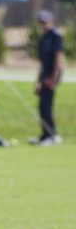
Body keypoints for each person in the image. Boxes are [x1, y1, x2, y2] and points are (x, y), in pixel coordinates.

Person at [30, 10, 64, 146]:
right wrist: (38, 81)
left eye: (45, 22)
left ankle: (51, 136)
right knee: (42, 106)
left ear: (51, 21)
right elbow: (42, 63)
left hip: (52, 74)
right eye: (41, 22)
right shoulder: (43, 38)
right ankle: (45, 135)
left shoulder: (55, 36)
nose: (43, 25)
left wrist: (54, 78)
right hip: (44, 75)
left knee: (46, 106)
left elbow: (58, 58)